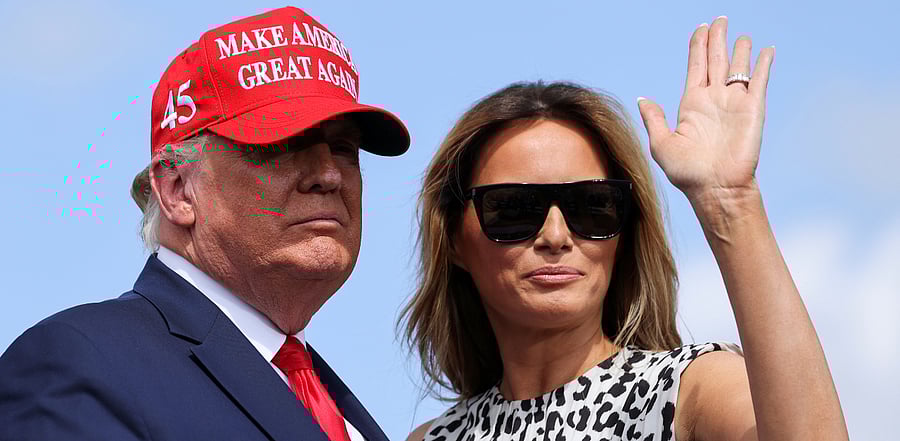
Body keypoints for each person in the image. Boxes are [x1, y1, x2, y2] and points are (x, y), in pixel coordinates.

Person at [401, 17, 848, 441]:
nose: (556, 236)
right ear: (455, 239)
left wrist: (732, 204)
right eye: (513, 208)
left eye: (593, 207)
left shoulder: (685, 389)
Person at [0, 6, 409, 441]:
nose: (328, 175)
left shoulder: (328, 398)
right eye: (286, 143)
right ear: (177, 189)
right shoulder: (78, 363)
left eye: (345, 148)